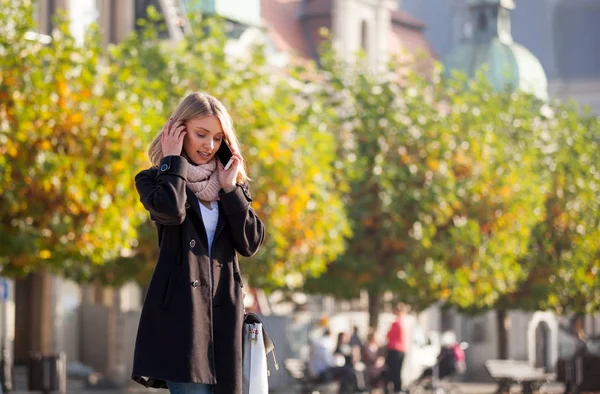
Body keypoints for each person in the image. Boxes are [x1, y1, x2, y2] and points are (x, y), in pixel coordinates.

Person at [131, 92, 265, 394]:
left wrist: (231, 190)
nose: (209, 146)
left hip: (224, 320)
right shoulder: (154, 179)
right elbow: (170, 211)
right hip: (182, 319)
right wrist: (172, 161)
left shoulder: (230, 183)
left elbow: (250, 243)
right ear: (178, 131)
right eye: (201, 134)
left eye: (218, 138)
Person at [309, 330, 357, 394]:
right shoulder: (324, 345)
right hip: (322, 374)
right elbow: (330, 363)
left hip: (317, 373)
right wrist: (338, 360)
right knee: (348, 371)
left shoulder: (318, 343)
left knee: (347, 371)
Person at [385, 303, 409, 394]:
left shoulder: (396, 323)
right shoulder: (405, 322)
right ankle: (397, 388)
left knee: (393, 370)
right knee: (398, 370)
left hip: (394, 349)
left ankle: (395, 388)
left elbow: (389, 335)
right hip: (402, 349)